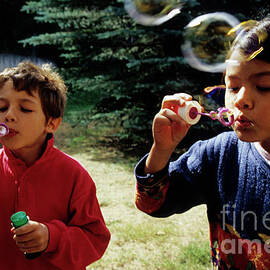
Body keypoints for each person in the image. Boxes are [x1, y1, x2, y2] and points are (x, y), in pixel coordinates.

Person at [134, 17, 270, 270]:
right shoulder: (219, 155)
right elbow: (153, 204)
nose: (241, 100)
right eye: (233, 86)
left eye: (263, 86)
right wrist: (162, 149)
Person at [0, 62, 110, 270]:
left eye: (25, 108)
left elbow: (96, 239)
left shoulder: (73, 176)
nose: (9, 115)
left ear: (51, 123)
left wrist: (51, 237)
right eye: (2, 107)